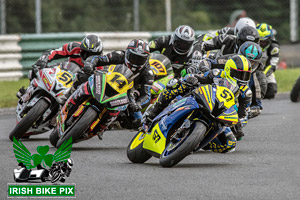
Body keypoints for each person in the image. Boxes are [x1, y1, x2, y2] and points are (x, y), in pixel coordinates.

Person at [142, 55, 252, 151]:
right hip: (201, 98)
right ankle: (154, 110)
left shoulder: (246, 93)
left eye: (246, 76)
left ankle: (198, 142)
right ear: (229, 70)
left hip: (220, 115)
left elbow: (243, 115)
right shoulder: (217, 73)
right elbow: (200, 77)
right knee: (176, 84)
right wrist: (193, 79)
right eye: (239, 74)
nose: (242, 79)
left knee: (230, 144)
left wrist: (238, 123)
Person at [62, 39, 153, 132]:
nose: (136, 62)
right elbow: (97, 58)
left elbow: (146, 95)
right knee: (83, 75)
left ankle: (106, 125)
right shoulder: (119, 55)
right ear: (127, 53)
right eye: (133, 57)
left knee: (139, 121)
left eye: (140, 59)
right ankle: (68, 97)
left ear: (146, 59)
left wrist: (138, 104)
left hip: (126, 93)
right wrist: (90, 64)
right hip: (106, 80)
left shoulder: (147, 73)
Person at [17, 34, 104, 98]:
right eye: (86, 53)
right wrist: (44, 59)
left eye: (92, 55)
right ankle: (28, 90)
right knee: (37, 68)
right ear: (81, 49)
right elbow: (55, 52)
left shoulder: (100, 64)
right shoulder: (74, 47)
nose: (88, 56)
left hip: (77, 83)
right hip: (65, 69)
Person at [256, 23, 280, 99]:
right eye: (260, 41)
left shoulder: (274, 47)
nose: (262, 43)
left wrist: (262, 76)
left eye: (265, 41)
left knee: (271, 91)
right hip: (250, 68)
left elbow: (272, 65)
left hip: (264, 69)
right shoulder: (250, 44)